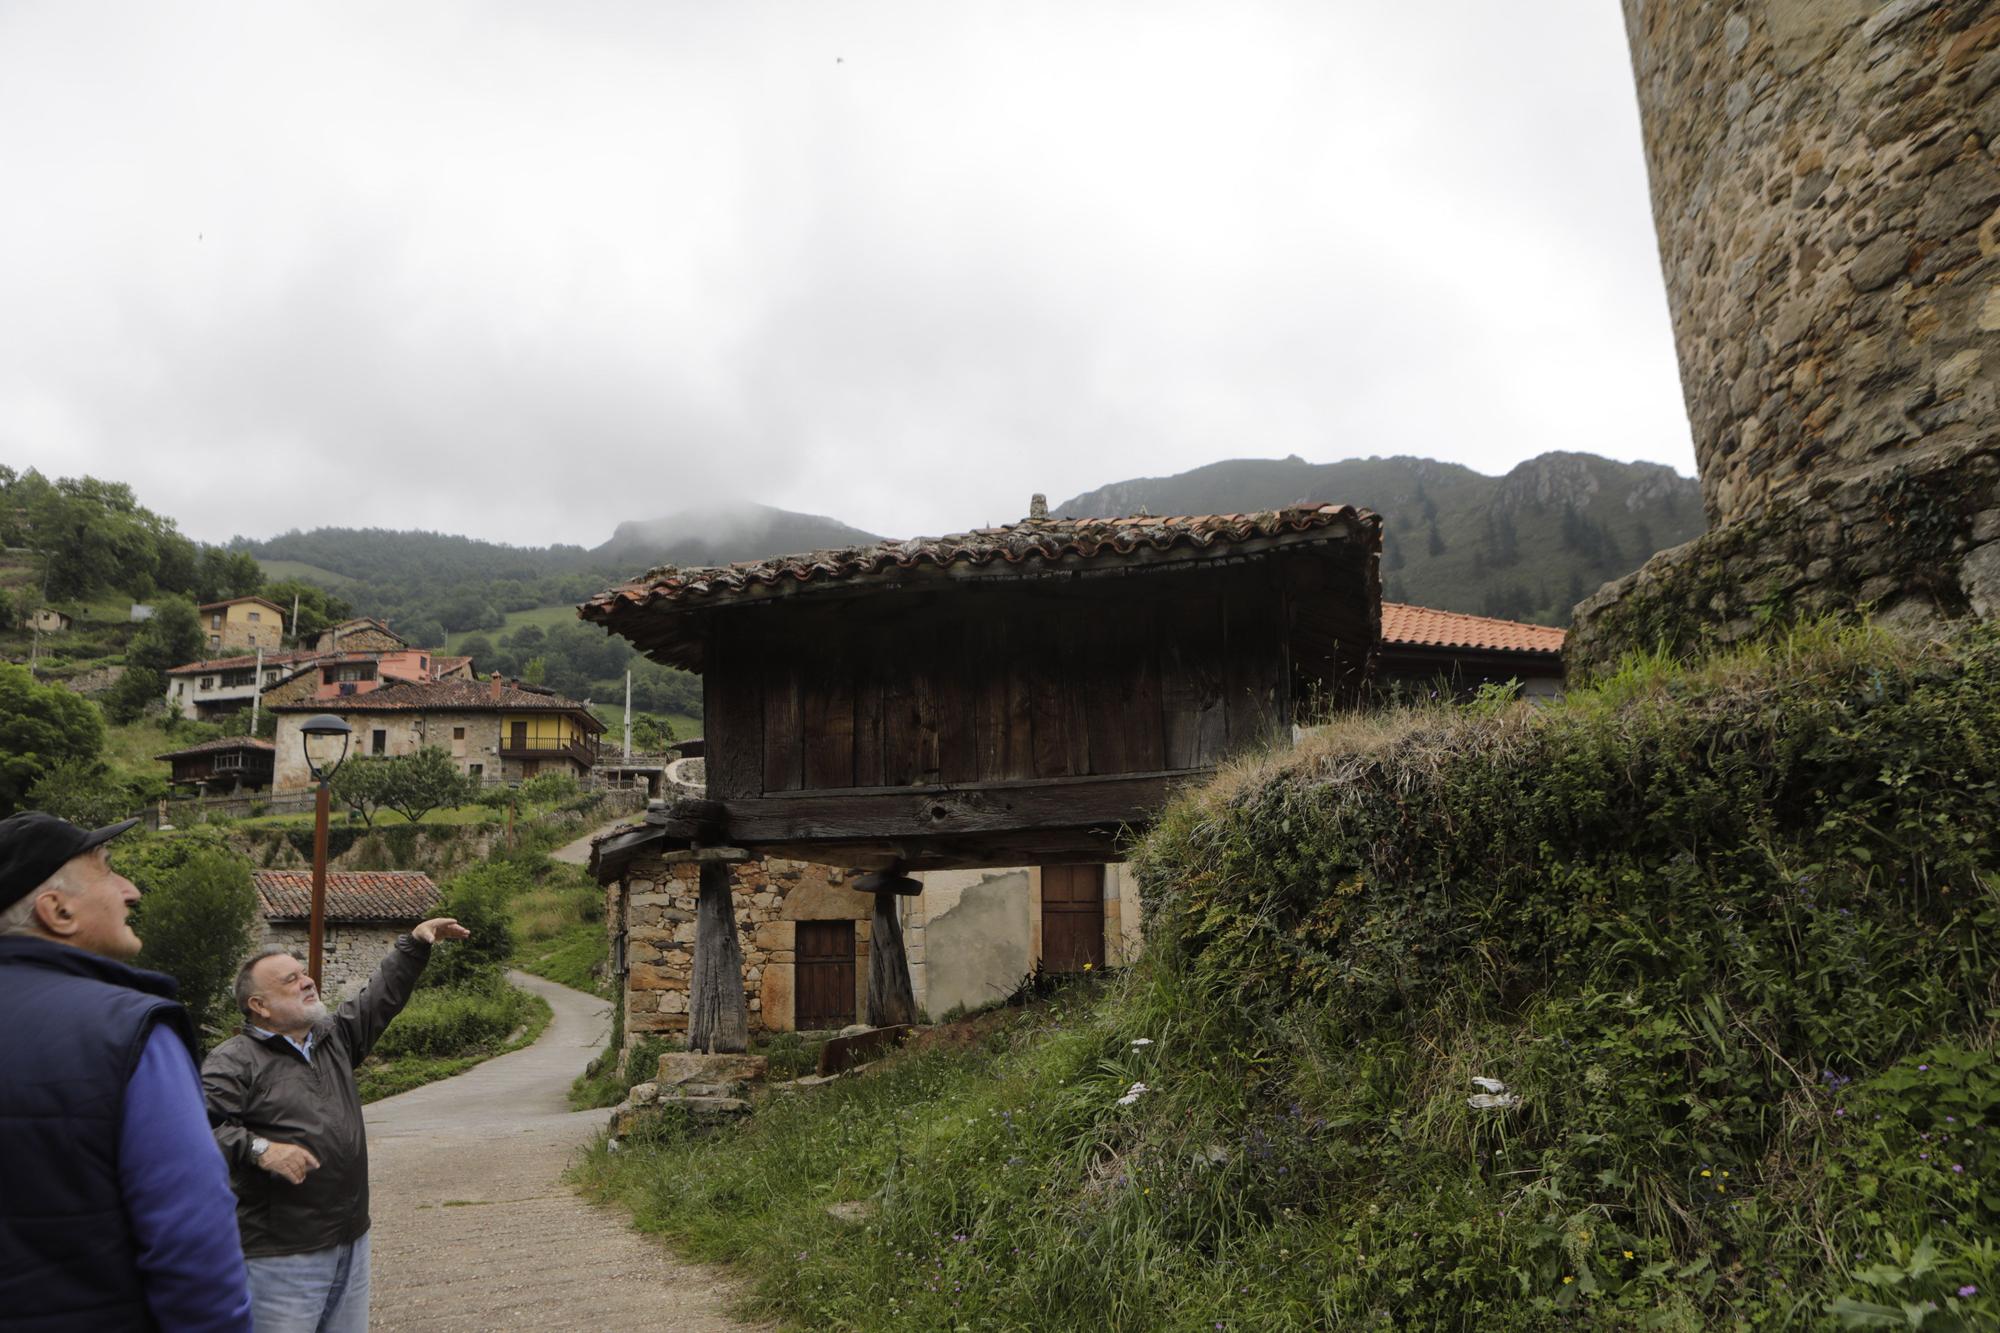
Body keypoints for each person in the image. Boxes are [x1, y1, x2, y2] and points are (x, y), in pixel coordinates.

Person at [0, 811, 254, 1332]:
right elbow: (192, 1237)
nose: (132, 890)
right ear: (59, 911)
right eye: (109, 870)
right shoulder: (128, 1029)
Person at [202, 915, 469, 1333]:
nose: (307, 981)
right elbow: (200, 1130)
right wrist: (260, 1149)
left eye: (304, 973)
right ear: (259, 1006)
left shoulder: (332, 1039)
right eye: (290, 980)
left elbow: (379, 999)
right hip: (282, 1253)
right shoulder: (233, 1060)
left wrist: (415, 944)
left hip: (351, 1238)